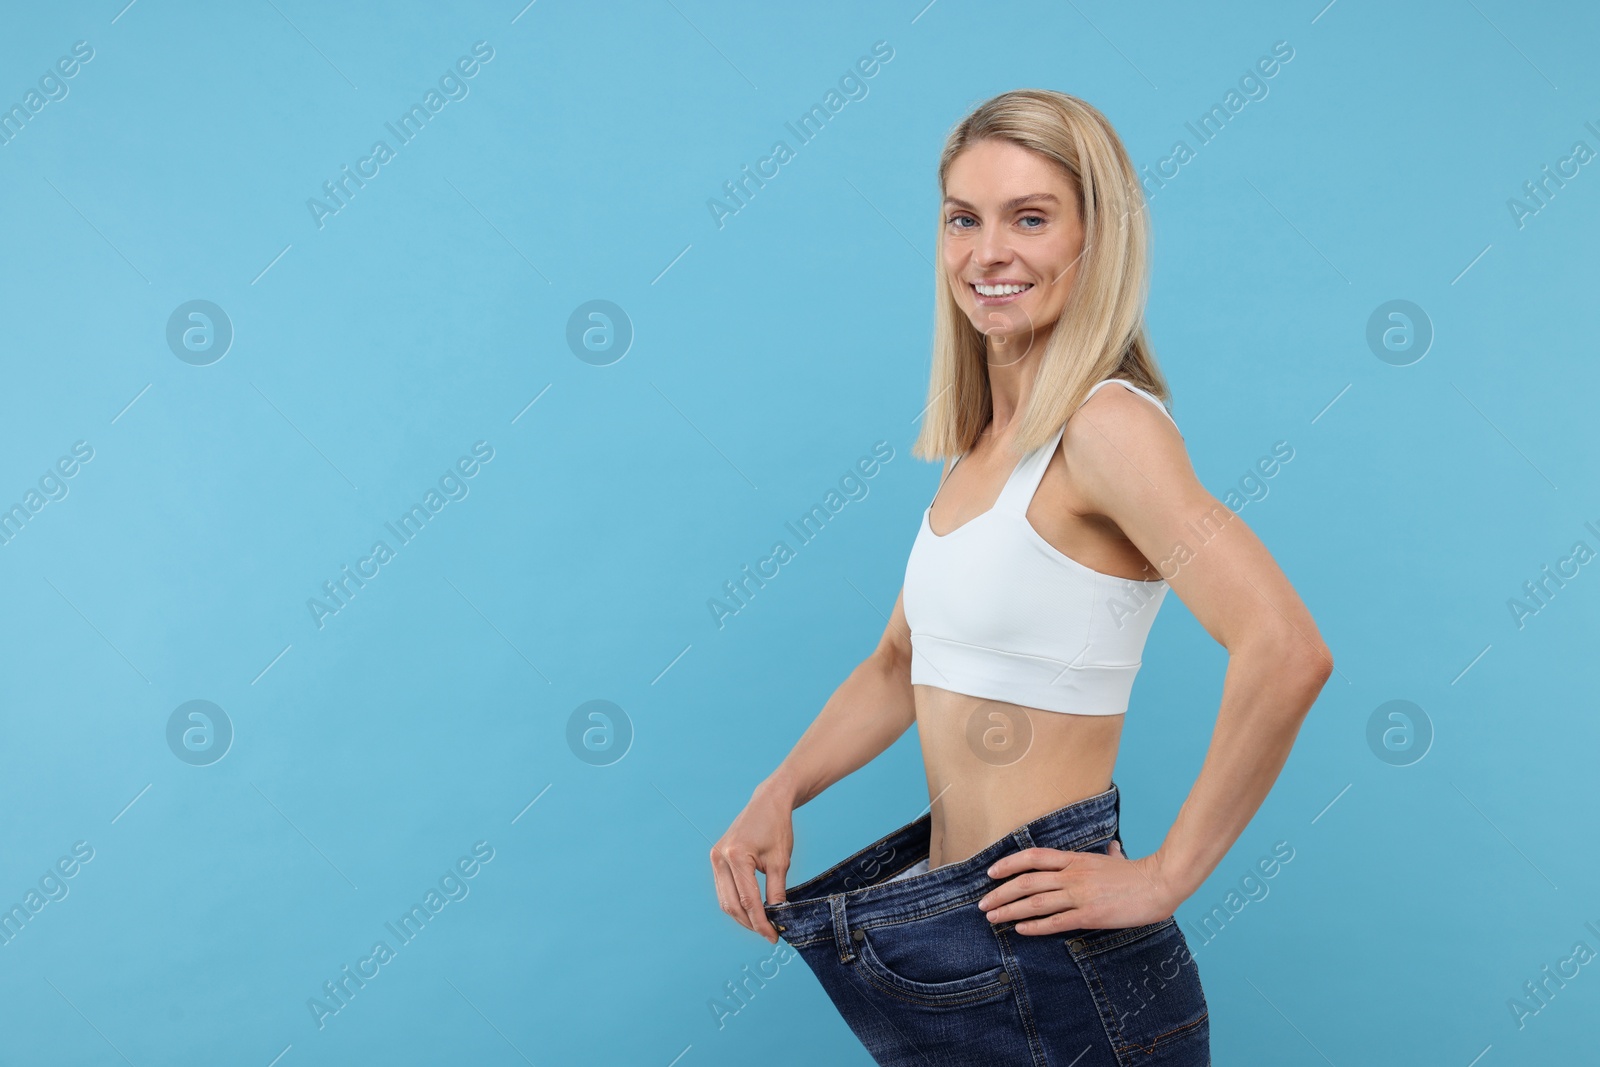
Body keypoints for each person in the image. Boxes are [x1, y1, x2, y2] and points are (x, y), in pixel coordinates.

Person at [710, 88, 1332, 1065]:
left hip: (1061, 969)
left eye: (1030, 218)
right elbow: (895, 663)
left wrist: (1167, 872)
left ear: (1098, 240)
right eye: (963, 218)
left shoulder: (1105, 428)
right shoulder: (983, 450)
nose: (986, 252)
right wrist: (778, 789)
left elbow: (1286, 647)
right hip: (958, 940)